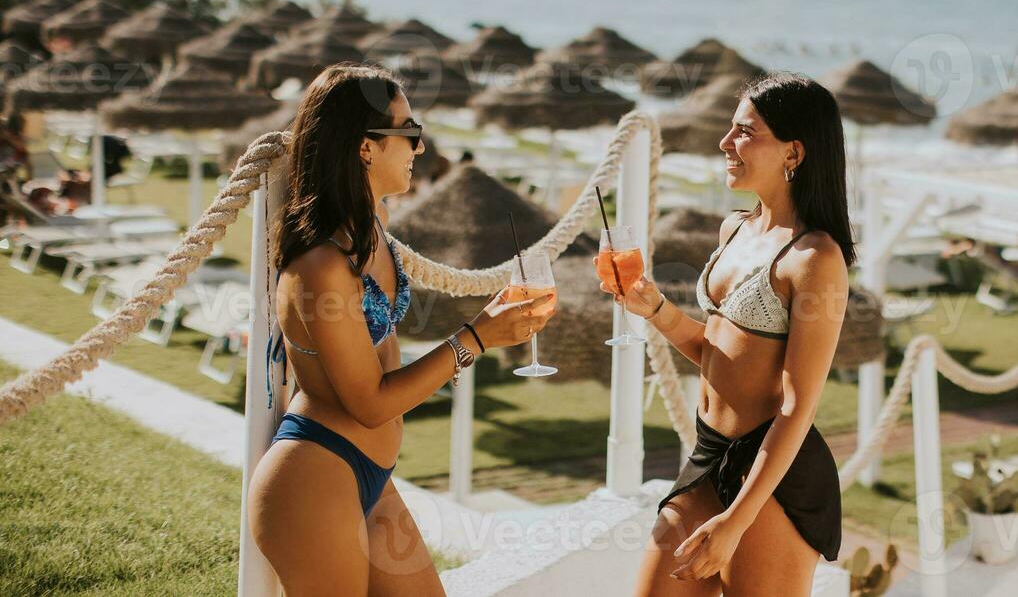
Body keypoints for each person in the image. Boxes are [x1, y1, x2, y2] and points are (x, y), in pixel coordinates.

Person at [247, 63, 556, 596]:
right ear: (366, 147)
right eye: (409, 132)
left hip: (370, 476)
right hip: (315, 479)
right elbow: (368, 402)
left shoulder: (373, 230)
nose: (420, 148)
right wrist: (476, 338)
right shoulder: (322, 264)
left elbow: (382, 359)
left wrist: (469, 344)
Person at [607, 72, 854, 596]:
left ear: (794, 151)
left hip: (771, 478)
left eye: (745, 132)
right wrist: (653, 307)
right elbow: (718, 353)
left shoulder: (816, 258)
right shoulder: (735, 229)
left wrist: (737, 521)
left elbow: (796, 405)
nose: (725, 143)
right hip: (708, 454)